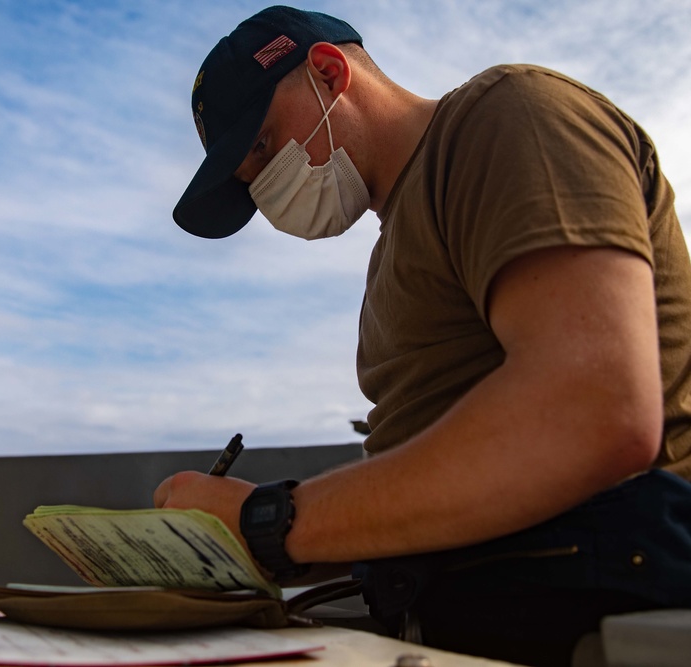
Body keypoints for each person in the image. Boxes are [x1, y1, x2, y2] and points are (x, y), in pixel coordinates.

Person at [153, 5, 691, 666]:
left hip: (595, 619)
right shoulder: (390, 253)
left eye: (261, 148)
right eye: (250, 183)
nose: (267, 190)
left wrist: (268, 522)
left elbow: (595, 409)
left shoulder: (510, 116)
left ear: (327, 72)